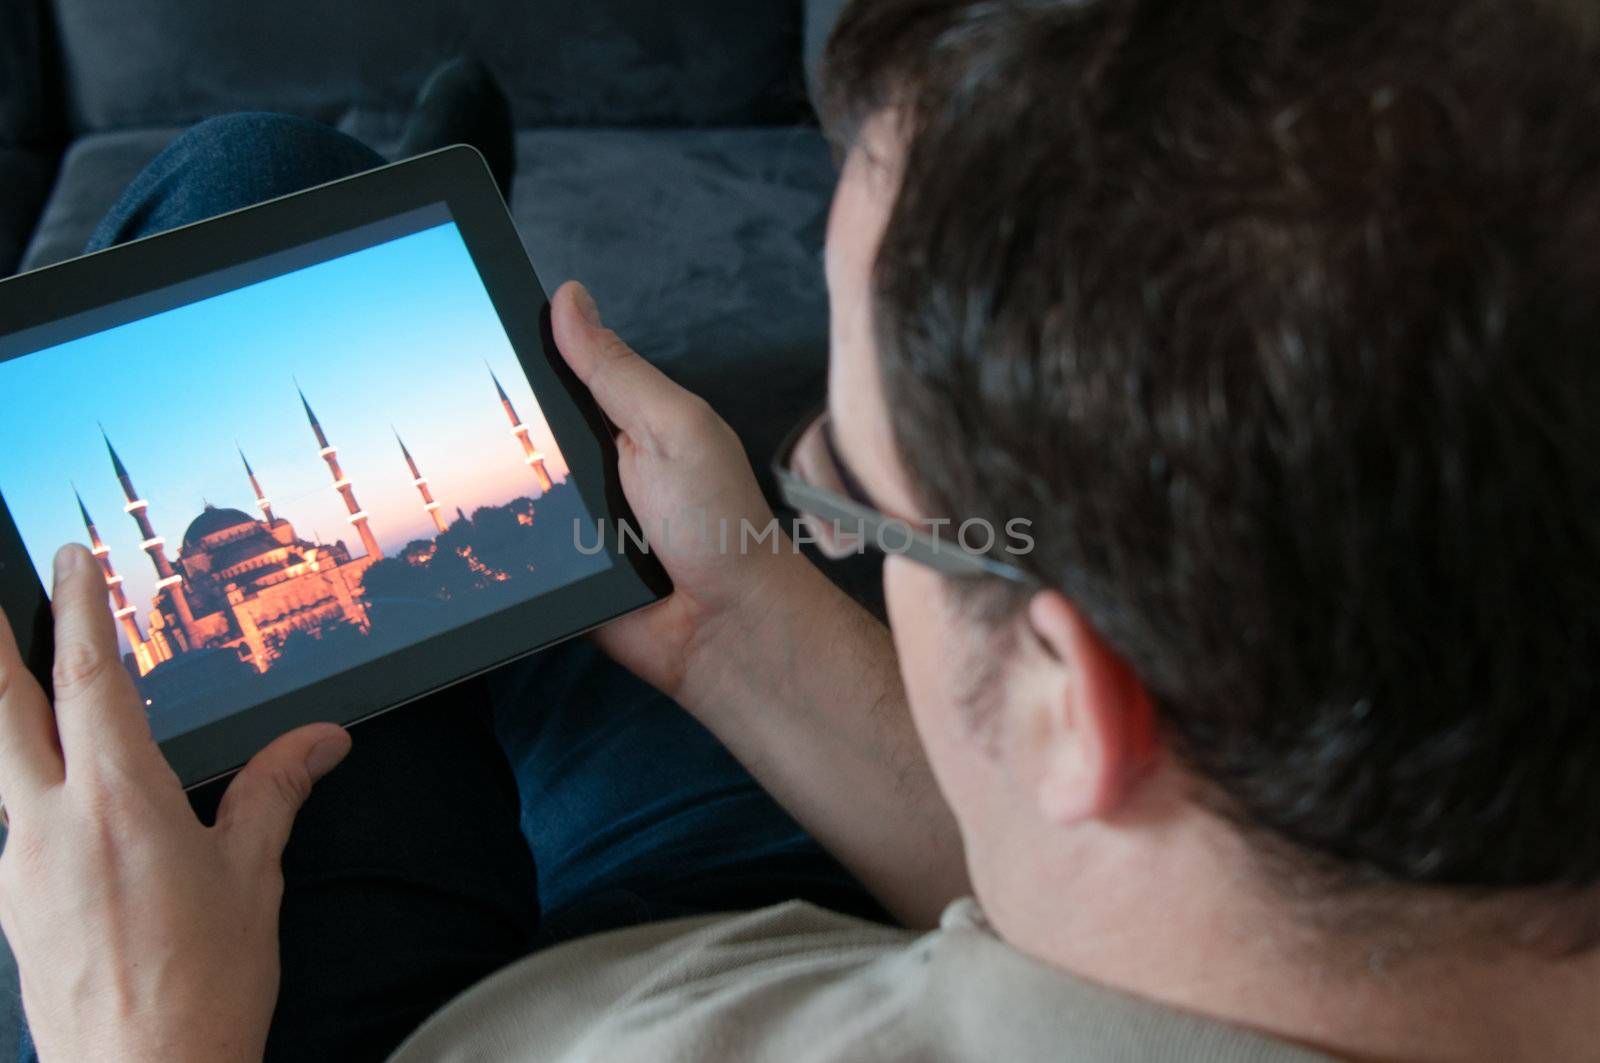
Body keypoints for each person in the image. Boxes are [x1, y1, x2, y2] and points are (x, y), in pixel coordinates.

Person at [2, 0, 1597, 1059]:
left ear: (1073, 699)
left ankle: (418, 210)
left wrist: (133, 1037)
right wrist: (740, 615)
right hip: (932, 896)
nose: (811, 504)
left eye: (840, 489)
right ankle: (429, 239)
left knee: (243, 178)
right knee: (347, 265)